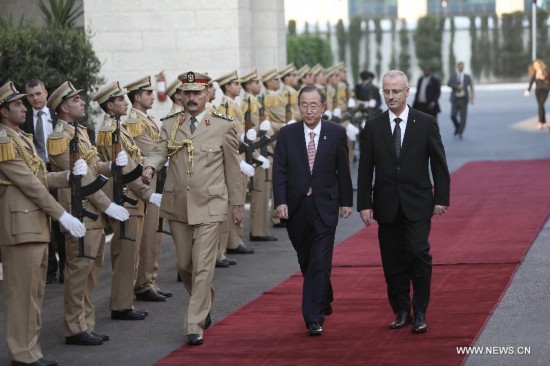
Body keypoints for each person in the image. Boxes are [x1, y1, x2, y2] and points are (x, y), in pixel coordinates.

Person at [141, 71, 244, 346]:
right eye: (186, 93)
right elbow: (160, 150)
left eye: (196, 93)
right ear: (181, 96)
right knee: (184, 264)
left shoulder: (222, 125)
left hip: (211, 205)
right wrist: (150, 166)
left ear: (207, 93)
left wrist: (237, 204)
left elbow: (233, 169)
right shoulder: (171, 123)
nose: (191, 98)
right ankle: (205, 299)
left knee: (202, 267)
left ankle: (193, 323)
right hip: (179, 206)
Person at [0, 80, 87, 366]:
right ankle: (22, 354)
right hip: (21, 227)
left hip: (34, 225)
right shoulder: (3, 141)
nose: (24, 108)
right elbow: (30, 185)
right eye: (16, 105)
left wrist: (68, 176)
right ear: (3, 112)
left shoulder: (20, 138)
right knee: (22, 296)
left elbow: (42, 178)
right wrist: (60, 213)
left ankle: (30, 351)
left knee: (35, 294)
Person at [357, 70, 450, 334]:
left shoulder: (426, 122)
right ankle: (401, 310)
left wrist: (441, 197)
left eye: (395, 91)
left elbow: (439, 163)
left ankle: (420, 310)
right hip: (386, 204)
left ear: (407, 91)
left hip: (418, 201)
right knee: (392, 259)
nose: (390, 96)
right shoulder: (373, 126)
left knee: (419, 252)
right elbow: (365, 169)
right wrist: (364, 203)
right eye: (386, 91)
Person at [46, 81, 132, 345]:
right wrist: (108, 205)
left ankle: (86, 323)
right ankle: (74, 327)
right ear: (63, 108)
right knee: (78, 272)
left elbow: (94, 169)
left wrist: (110, 165)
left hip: (93, 212)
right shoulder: (59, 138)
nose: (82, 103)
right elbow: (80, 181)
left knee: (93, 271)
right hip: (80, 212)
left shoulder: (80, 133)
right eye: (75, 100)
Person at [272, 85, 353, 336]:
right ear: (299, 107)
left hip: (325, 206)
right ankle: (323, 295)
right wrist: (280, 201)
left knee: (320, 260)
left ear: (323, 107)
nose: (308, 110)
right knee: (307, 260)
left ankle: (313, 317)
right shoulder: (287, 134)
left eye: (313, 105)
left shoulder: (336, 133)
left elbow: (343, 170)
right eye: (304, 105)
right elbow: (279, 171)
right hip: (297, 208)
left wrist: (347, 201)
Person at [94, 81, 161, 321]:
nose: (125, 103)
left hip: (133, 195)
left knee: (131, 252)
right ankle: (121, 304)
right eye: (121, 100)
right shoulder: (109, 130)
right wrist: (146, 191)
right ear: (110, 105)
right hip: (126, 197)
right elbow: (126, 168)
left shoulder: (118, 127)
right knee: (126, 252)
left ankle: (126, 301)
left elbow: (134, 160)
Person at [123, 76, 172, 302]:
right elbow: (150, 148)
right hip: (145, 183)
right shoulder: (135, 122)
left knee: (155, 234)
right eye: (148, 93)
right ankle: (143, 282)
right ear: (137, 97)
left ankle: (149, 279)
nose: (152, 97)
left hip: (155, 180)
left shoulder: (147, 119)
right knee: (148, 235)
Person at [22, 79, 65, 284]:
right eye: (30, 95)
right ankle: (49, 270)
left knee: (61, 220)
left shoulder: (58, 116)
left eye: (38, 94)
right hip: (35, 174)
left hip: (56, 170)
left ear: (46, 93)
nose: (35, 98)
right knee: (42, 221)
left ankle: (65, 267)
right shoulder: (23, 119)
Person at [215, 70, 254, 268]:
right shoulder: (225, 106)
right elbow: (226, 135)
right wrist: (237, 161)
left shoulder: (233, 105)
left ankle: (234, 240)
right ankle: (232, 241)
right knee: (233, 199)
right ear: (227, 87)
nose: (239, 86)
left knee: (237, 197)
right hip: (234, 155)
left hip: (239, 153)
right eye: (235, 83)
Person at [240, 69, 275, 242]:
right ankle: (257, 231)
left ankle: (261, 230)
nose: (259, 85)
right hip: (257, 153)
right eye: (255, 82)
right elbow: (248, 130)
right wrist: (254, 156)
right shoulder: (249, 102)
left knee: (263, 194)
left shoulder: (254, 101)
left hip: (263, 151)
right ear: (248, 85)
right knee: (259, 194)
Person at [448, 61, 475, 138]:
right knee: (453, 115)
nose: (461, 67)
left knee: (463, 117)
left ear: (464, 67)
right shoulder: (453, 76)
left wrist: (473, 97)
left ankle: (460, 132)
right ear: (457, 67)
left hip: (463, 99)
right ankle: (457, 127)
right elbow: (448, 83)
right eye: (460, 66)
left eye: (462, 66)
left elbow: (471, 87)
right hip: (455, 99)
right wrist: (456, 86)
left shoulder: (467, 76)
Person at [524, 59, 550, 130]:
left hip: (545, 90)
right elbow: (531, 82)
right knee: (541, 106)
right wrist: (528, 90)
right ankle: (543, 122)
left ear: (540, 64)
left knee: (540, 105)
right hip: (538, 91)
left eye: (537, 64)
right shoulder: (535, 73)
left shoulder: (546, 70)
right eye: (534, 65)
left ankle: (540, 122)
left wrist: (544, 78)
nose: (536, 66)